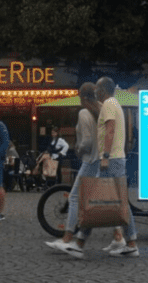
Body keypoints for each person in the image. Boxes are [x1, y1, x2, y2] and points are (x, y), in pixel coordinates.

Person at [59, 77, 139, 258]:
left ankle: (79, 243)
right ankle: (130, 242)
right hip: (117, 158)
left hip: (112, 160)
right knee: (117, 201)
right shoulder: (113, 104)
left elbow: (110, 129)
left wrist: (105, 156)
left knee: (97, 200)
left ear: (102, 91)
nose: (95, 93)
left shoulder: (109, 104)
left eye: (97, 90)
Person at [46, 82, 114, 256]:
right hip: (102, 160)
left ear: (83, 97)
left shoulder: (84, 113)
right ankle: (120, 236)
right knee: (102, 201)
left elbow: (87, 142)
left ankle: (68, 238)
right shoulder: (101, 108)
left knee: (76, 198)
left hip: (90, 161)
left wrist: (77, 149)